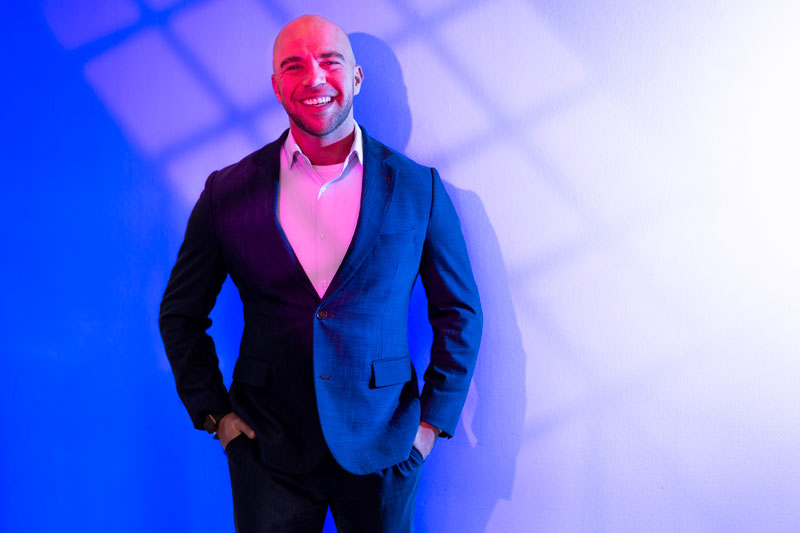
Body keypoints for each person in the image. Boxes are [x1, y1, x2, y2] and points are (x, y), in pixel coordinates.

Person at [159, 14, 482, 533]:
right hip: (267, 452)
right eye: (294, 65)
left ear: (355, 78)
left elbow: (459, 311)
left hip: (385, 447)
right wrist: (217, 417)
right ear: (276, 85)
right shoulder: (227, 190)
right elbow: (180, 314)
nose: (313, 78)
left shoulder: (418, 188)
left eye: (330, 62)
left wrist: (430, 426)